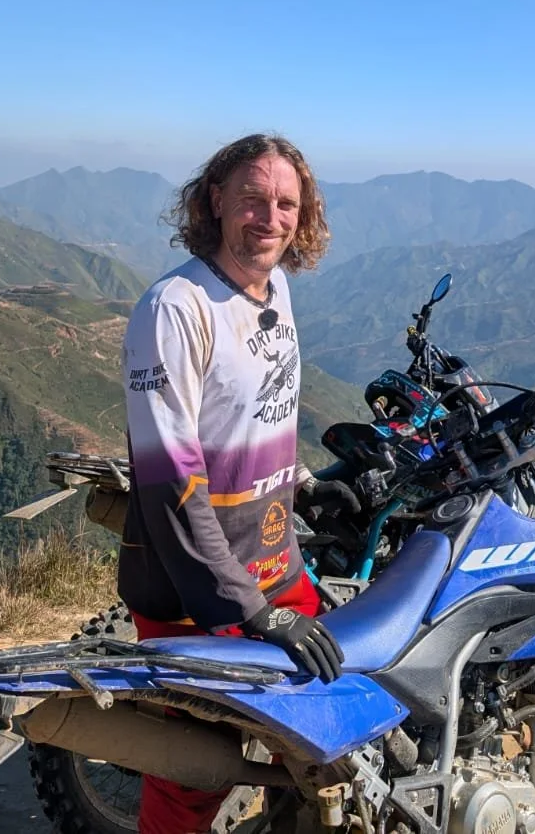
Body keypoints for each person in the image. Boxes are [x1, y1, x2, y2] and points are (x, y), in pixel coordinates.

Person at [118, 133, 357, 834]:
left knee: (319, 735)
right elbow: (170, 478)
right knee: (195, 769)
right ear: (215, 200)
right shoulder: (176, 309)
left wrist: (304, 481)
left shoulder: (275, 287)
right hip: (197, 594)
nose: (271, 218)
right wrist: (250, 609)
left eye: (287, 203)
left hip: (278, 566)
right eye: (253, 198)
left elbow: (260, 409)